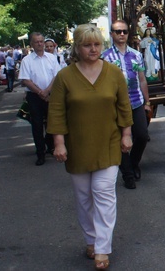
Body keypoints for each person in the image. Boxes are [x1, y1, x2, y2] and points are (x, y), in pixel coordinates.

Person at [48, 24, 133, 270]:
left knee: (104, 194)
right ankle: (91, 239)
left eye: (97, 44)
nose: (93, 49)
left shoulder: (114, 73)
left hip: (108, 143)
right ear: (77, 47)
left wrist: (127, 134)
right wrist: (59, 142)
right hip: (77, 146)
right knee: (84, 198)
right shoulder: (65, 76)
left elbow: (124, 106)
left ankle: (102, 249)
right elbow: (56, 112)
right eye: (87, 45)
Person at [102, 20, 152, 189]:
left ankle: (133, 162)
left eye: (124, 31)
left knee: (142, 135)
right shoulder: (105, 57)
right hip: (115, 105)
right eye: (118, 32)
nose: (121, 34)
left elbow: (142, 79)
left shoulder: (136, 54)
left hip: (136, 101)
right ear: (112, 34)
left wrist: (147, 101)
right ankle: (128, 174)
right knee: (120, 140)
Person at [19, 32, 61, 166]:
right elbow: (26, 80)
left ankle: (50, 144)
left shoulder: (52, 58)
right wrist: (40, 92)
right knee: (37, 125)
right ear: (32, 44)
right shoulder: (27, 60)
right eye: (37, 42)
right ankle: (40, 153)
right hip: (34, 96)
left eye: (41, 41)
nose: (40, 44)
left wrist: (48, 91)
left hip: (51, 95)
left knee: (52, 123)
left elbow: (57, 76)